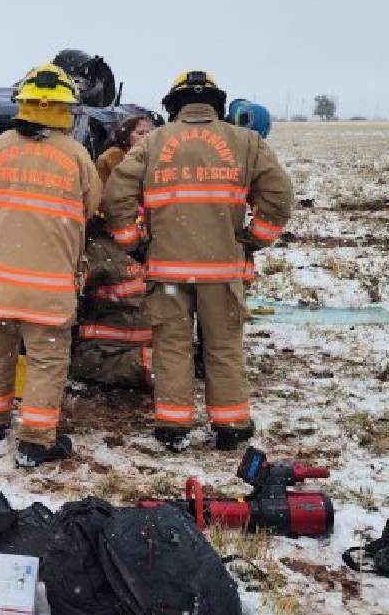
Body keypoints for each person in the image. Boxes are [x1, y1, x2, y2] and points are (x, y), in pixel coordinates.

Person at [102, 70, 293, 452]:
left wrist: (134, 243)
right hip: (222, 273)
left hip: (167, 272)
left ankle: (173, 427)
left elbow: (116, 194)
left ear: (174, 105)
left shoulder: (154, 142)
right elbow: (280, 196)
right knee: (223, 346)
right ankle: (232, 425)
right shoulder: (246, 142)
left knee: (172, 346)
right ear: (216, 104)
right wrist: (253, 240)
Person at [0, 63, 102, 468]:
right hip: (48, 285)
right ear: (67, 109)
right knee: (46, 360)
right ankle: (35, 439)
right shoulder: (76, 156)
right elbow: (91, 207)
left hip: (0, 279)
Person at [95, 116, 153, 185]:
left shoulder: (148, 158)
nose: (146, 137)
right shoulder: (113, 156)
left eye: (149, 134)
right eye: (140, 133)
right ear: (127, 135)